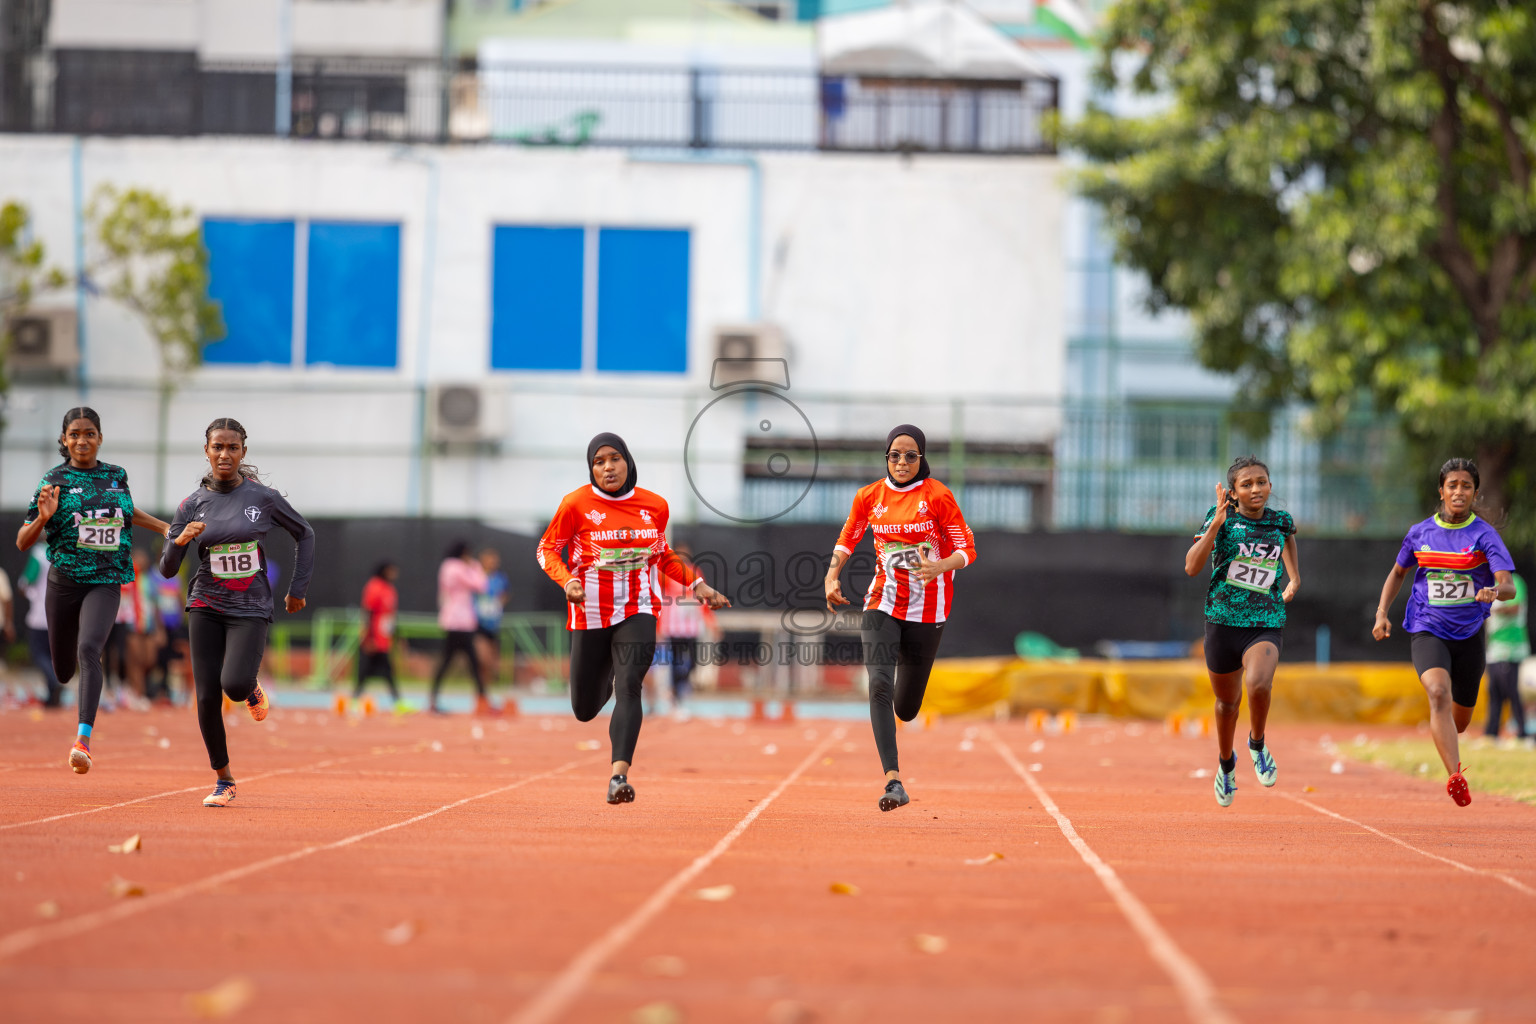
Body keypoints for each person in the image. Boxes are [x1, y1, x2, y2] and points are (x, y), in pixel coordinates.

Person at [536, 432, 730, 804]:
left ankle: (618, 777)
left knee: (631, 686)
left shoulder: (654, 506)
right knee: (583, 709)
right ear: (591, 468)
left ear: (628, 461)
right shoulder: (575, 504)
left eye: (614, 459)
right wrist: (568, 580)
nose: (608, 467)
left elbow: (663, 555)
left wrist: (699, 584)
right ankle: (603, 674)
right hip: (590, 613)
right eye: (599, 462)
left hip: (637, 608)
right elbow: (546, 550)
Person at [160, 417, 315, 808]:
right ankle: (223, 779)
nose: (224, 454)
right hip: (206, 603)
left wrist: (298, 589)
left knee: (234, 684)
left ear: (243, 451)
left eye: (232, 447)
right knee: (208, 695)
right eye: (217, 447)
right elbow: (166, 568)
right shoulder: (191, 504)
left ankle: (249, 687)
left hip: (250, 605)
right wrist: (179, 540)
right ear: (207, 452)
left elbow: (305, 533)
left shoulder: (263, 498)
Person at [824, 424, 977, 812]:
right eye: (894, 455)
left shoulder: (937, 496)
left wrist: (940, 565)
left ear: (922, 458)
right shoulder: (869, 496)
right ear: (886, 458)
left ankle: (899, 710)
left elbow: (967, 548)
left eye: (910, 455)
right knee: (878, 682)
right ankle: (893, 780)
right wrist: (832, 573)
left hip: (929, 609)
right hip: (882, 600)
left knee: (906, 707)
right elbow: (848, 537)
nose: (902, 462)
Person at [15, 407, 176, 774]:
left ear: (99, 438)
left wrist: (165, 527)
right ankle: (67, 669)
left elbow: (128, 511)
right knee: (62, 670)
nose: (82, 440)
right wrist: (43, 516)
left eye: (89, 433)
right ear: (64, 440)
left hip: (105, 579)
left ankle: (83, 740)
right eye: (75, 434)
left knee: (90, 649)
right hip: (64, 581)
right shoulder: (52, 481)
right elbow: (23, 542)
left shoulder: (116, 476)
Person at [1374, 458, 1516, 805]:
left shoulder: (1484, 535)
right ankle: (1455, 776)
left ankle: (1447, 737)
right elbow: (1397, 573)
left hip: (1469, 635)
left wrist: (1494, 592)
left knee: (1461, 722)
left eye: (1466, 486)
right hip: (1428, 628)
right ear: (1441, 491)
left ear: (1475, 493)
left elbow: (1508, 585)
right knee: (1437, 692)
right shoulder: (1420, 533)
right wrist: (1382, 612)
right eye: (1452, 485)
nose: (1459, 491)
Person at [1184, 456, 1299, 807]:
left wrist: (1294, 576)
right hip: (1221, 621)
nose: (1256, 489)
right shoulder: (1221, 518)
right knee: (1227, 702)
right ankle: (1226, 763)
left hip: (1264, 619)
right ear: (1233, 492)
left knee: (1259, 683)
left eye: (1261, 482)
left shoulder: (1281, 521)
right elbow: (1191, 566)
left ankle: (1258, 743)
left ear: (1269, 485)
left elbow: (1289, 541)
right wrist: (1216, 525)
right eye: (1246, 484)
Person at [432, 541, 492, 715]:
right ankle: (482, 700)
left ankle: (434, 699)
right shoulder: (457, 568)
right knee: (469, 664)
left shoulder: (447, 567)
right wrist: (476, 566)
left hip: (454, 622)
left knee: (454, 662)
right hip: (460, 623)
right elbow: (481, 585)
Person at [658, 541, 716, 713]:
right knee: (675, 661)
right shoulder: (666, 574)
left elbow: (702, 598)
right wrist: (658, 624)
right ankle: (675, 694)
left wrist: (710, 620)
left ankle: (681, 684)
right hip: (673, 625)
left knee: (694, 661)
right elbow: (658, 595)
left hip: (691, 625)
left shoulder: (695, 572)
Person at [1484, 572, 1528, 742]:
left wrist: (1495, 610)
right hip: (1494, 647)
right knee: (1494, 691)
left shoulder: (1516, 581)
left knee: (1511, 690)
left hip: (1511, 646)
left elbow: (1515, 607)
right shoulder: (1489, 583)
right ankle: (1491, 733)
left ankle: (1522, 733)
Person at [19, 544, 59, 707]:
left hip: (40, 613)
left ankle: (53, 682)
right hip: (61, 614)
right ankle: (51, 696)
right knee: (52, 655)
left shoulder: (40, 552)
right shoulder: (66, 550)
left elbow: (25, 582)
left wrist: (29, 593)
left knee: (38, 653)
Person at [357, 561, 402, 706]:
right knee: (368, 669)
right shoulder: (374, 586)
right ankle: (397, 701)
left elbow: (391, 616)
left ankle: (397, 701)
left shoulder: (390, 589)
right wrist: (369, 637)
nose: (394, 574)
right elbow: (368, 612)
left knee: (384, 670)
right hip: (373, 636)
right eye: (391, 570)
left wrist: (397, 636)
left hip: (384, 638)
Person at [474, 547, 509, 688]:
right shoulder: (476, 576)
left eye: (495, 559)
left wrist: (498, 604)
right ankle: (480, 690)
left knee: (491, 663)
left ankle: (484, 692)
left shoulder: (501, 578)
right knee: (483, 658)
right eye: (490, 559)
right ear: (483, 560)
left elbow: (505, 594)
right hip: (477, 623)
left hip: (493, 624)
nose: (493, 562)